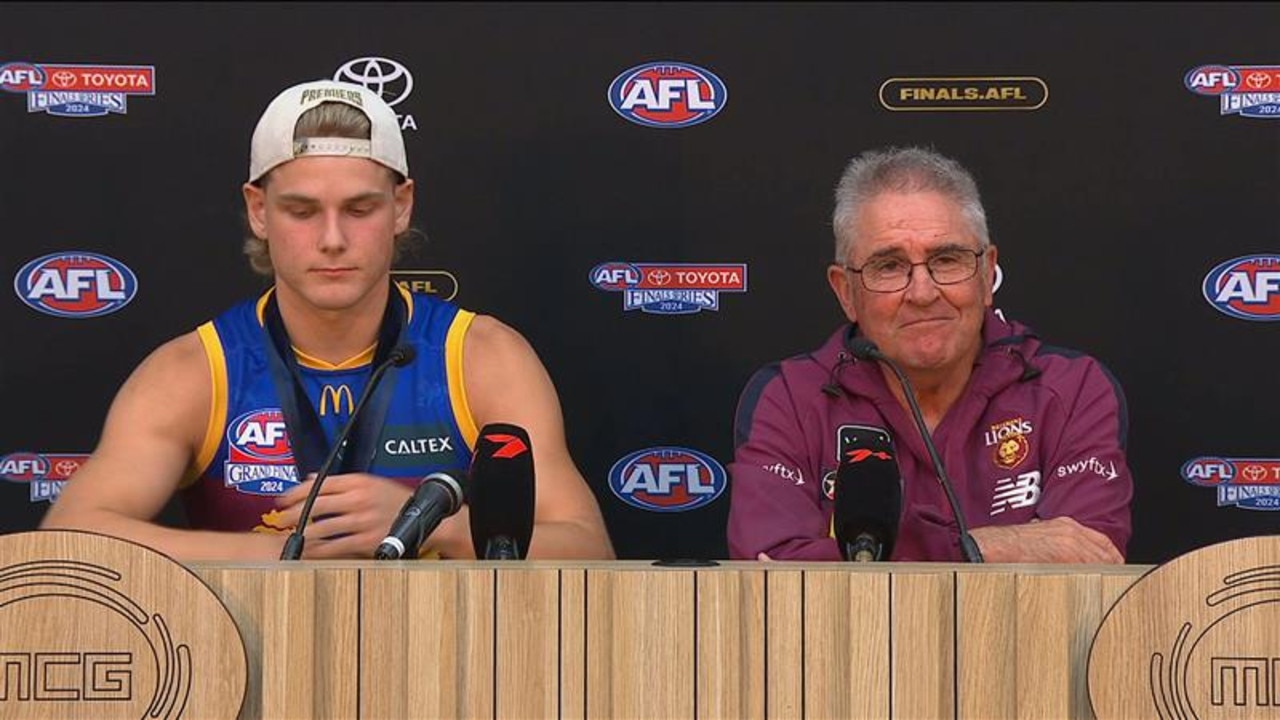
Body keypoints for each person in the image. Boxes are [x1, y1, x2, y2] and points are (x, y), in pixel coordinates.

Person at [42, 80, 614, 561]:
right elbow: (69, 537)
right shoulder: (196, 370)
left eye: (360, 209)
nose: (333, 239)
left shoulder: (481, 355)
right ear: (259, 210)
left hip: (449, 671)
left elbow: (589, 546)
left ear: (402, 206)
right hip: (259, 672)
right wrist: (289, 553)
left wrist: (427, 527)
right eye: (302, 210)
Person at [727, 147, 1132, 563]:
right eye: (888, 266)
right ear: (846, 291)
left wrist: (872, 558)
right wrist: (983, 550)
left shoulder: (1071, 389)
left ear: (987, 274)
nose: (922, 293)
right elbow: (774, 575)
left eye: (947, 259)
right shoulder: (790, 399)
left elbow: (1088, 564)